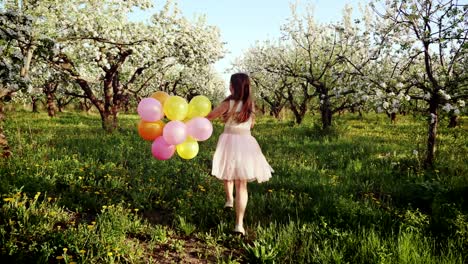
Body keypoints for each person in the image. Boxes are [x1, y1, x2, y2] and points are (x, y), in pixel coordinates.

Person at [206, 73, 273, 236]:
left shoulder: (228, 103)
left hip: (229, 141)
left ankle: (229, 199)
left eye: (230, 84)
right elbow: (251, 125)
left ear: (233, 86)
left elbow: (209, 117)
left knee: (227, 170)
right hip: (246, 143)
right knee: (241, 184)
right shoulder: (250, 105)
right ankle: (239, 224)